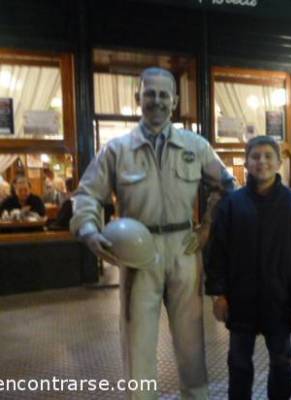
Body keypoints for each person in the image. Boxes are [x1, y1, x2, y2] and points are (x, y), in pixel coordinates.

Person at [70, 67, 234, 400]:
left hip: (184, 250)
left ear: (174, 101)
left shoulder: (195, 146)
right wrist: (88, 229)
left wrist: (207, 227)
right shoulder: (116, 150)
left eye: (163, 95)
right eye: (150, 94)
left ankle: (196, 396)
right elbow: (86, 195)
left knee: (190, 338)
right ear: (137, 98)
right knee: (137, 337)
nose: (156, 101)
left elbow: (228, 187)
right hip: (136, 252)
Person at [205, 136, 291, 400]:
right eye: (256, 156)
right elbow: (217, 254)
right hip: (240, 301)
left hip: (280, 301)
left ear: (279, 162)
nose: (262, 162)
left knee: (281, 363)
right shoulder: (232, 205)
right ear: (246, 163)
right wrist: (218, 295)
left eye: (269, 156)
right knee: (238, 364)